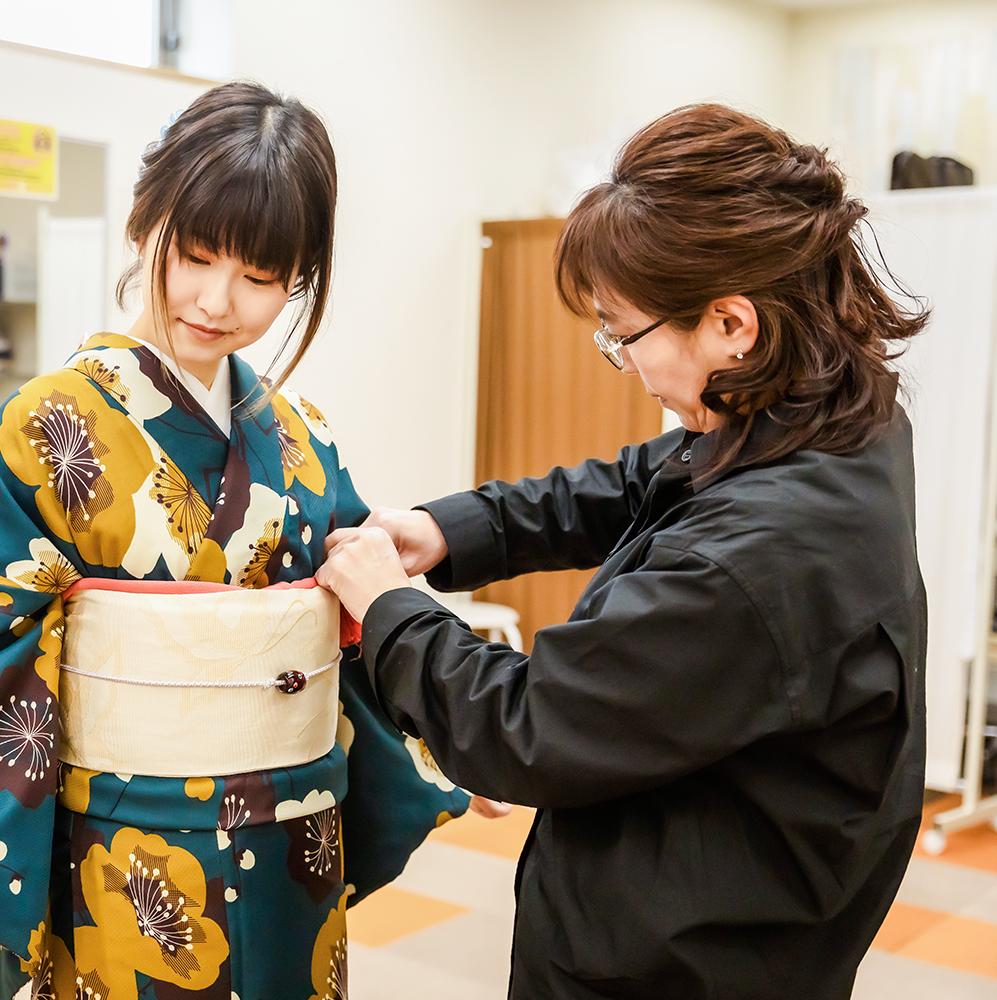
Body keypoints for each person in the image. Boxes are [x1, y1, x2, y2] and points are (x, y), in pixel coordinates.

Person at [0, 81, 476, 998]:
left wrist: (452, 728)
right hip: (117, 858)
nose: (217, 301)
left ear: (299, 279)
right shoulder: (49, 425)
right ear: (144, 225)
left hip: (290, 848)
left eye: (261, 278)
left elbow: (362, 614)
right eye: (193, 255)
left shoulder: (304, 436)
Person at [316, 103, 928, 1000]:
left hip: (676, 963)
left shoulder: (755, 560)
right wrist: (456, 527)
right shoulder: (837, 423)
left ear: (732, 325)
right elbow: (638, 481)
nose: (626, 363)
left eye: (623, 333)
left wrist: (389, 610)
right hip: (728, 900)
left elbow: (525, 727)